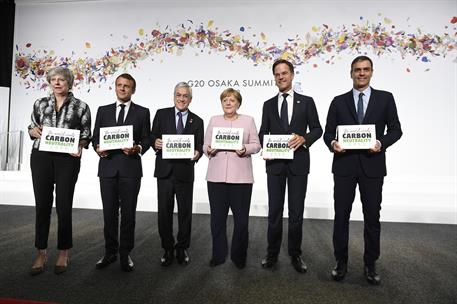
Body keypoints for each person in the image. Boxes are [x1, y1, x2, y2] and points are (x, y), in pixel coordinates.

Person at [323, 56, 402, 285]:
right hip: (344, 167)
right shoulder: (338, 101)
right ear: (351, 73)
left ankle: (370, 264)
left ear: (372, 72)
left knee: (372, 218)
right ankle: (341, 262)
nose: (361, 73)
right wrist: (333, 144)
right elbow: (328, 133)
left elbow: (396, 130)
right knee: (341, 217)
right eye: (357, 70)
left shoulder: (385, 99)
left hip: (373, 167)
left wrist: (381, 143)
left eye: (365, 69)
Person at [258, 59, 322, 273]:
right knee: (274, 212)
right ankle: (272, 254)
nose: (281, 77)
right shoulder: (267, 104)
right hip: (275, 165)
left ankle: (295, 254)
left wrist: (304, 139)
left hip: (298, 165)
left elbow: (317, 129)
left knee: (296, 213)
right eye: (277, 74)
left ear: (292, 75)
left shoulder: (307, 101)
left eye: (284, 73)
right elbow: (262, 133)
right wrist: (263, 148)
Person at [28, 66, 91, 275]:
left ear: (69, 83)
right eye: (53, 79)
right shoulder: (40, 103)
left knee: (64, 206)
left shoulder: (81, 106)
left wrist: (80, 145)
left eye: (61, 80)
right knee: (42, 206)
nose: (56, 83)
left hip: (67, 160)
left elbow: (86, 133)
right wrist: (32, 130)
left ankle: (63, 251)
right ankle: (41, 251)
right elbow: (32, 126)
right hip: (41, 157)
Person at [92, 73, 151, 272]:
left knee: (128, 215)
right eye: (119, 85)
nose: (123, 88)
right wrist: (98, 148)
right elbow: (94, 139)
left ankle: (125, 254)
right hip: (107, 168)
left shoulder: (143, 112)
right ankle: (110, 252)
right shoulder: (103, 110)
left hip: (130, 169)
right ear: (115, 87)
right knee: (109, 215)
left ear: (133, 90)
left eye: (127, 86)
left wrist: (138, 148)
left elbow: (147, 139)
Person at [204, 88, 261, 269]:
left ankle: (239, 256)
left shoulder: (248, 120)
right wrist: (208, 150)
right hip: (216, 177)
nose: (228, 103)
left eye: (232, 100)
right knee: (217, 220)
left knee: (241, 221)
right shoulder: (214, 120)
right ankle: (218, 255)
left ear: (238, 103)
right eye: (225, 100)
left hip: (241, 179)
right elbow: (205, 145)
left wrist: (245, 148)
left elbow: (257, 145)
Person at [151, 82, 204, 266]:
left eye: (185, 96)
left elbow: (199, 146)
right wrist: (155, 142)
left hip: (185, 173)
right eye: (179, 95)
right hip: (165, 172)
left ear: (191, 99)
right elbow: (152, 136)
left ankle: (182, 247)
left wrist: (198, 153)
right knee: (164, 213)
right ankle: (167, 248)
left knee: (185, 213)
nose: (182, 99)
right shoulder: (161, 114)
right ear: (174, 97)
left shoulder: (197, 121)